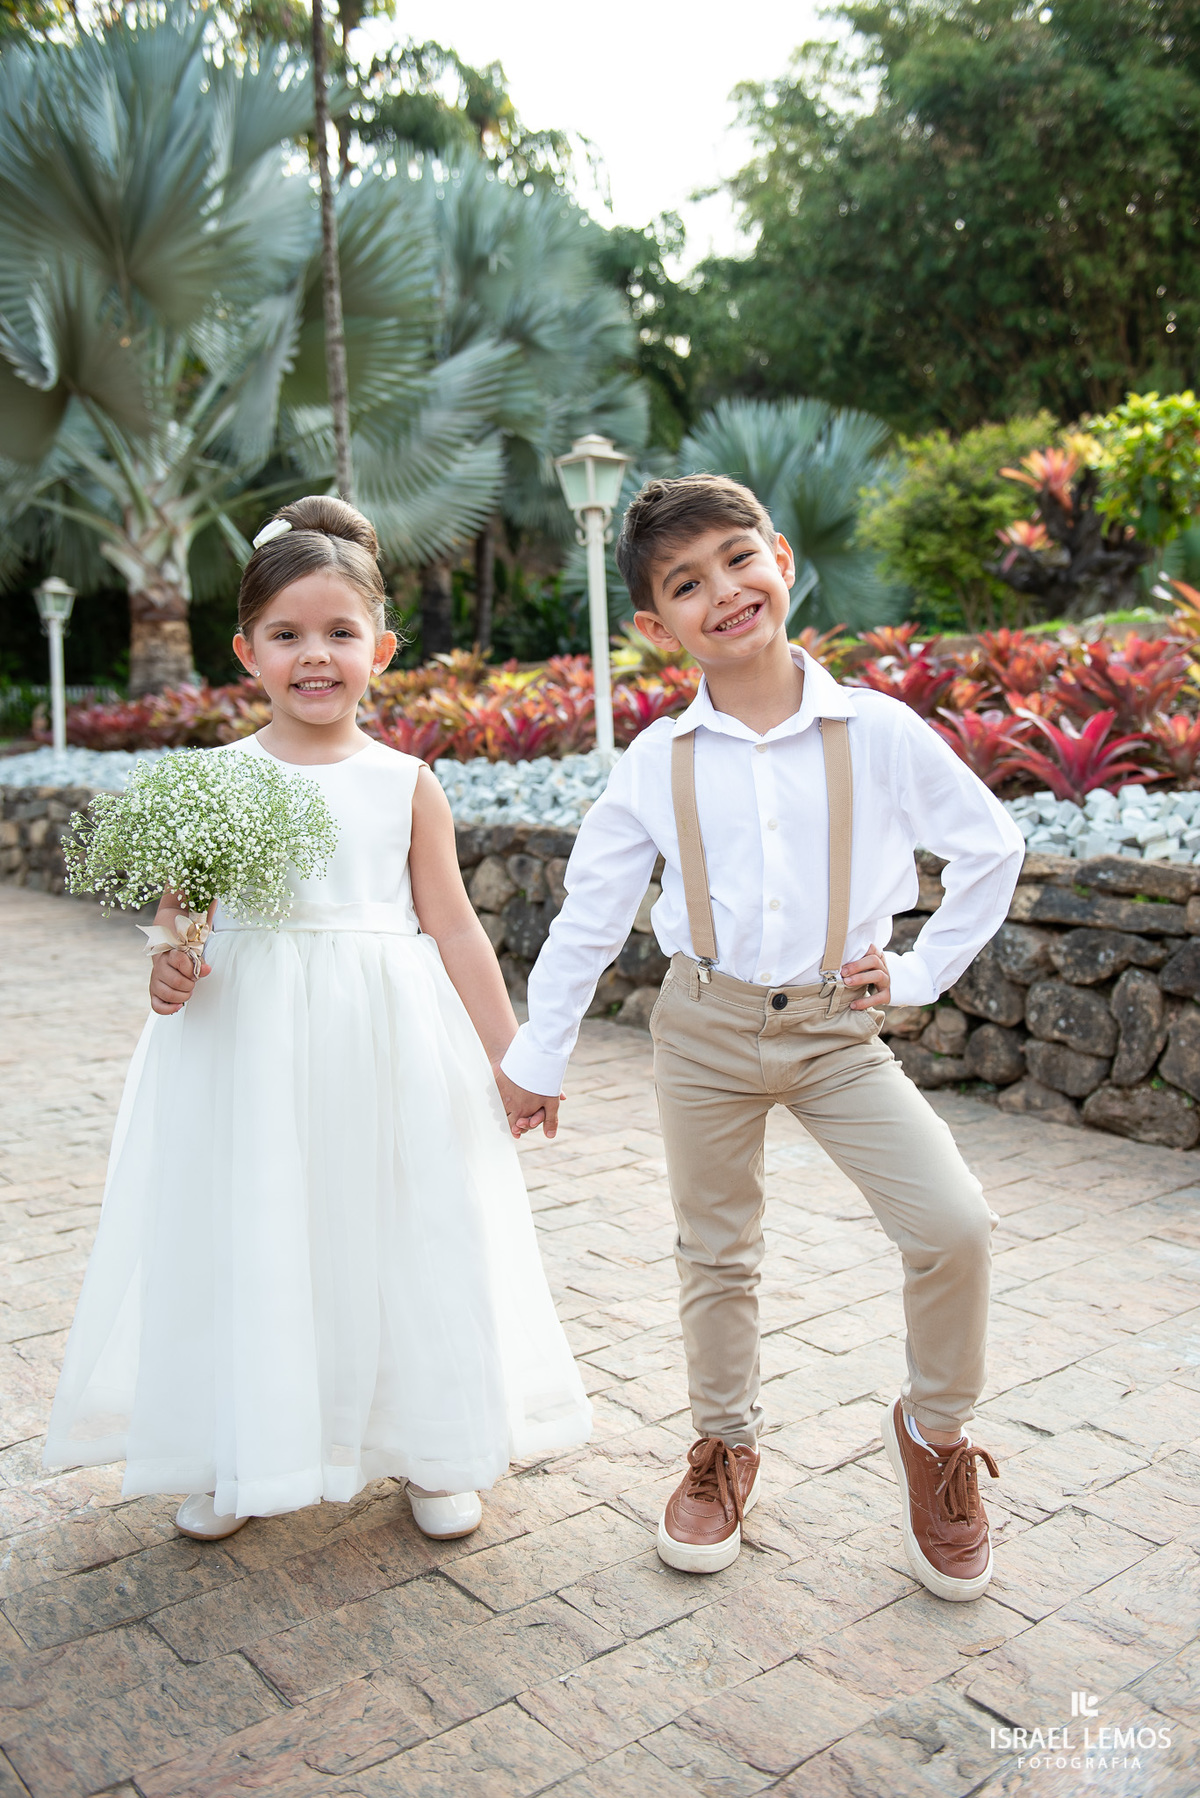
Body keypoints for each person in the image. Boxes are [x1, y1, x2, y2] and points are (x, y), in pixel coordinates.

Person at [498, 474, 1023, 1600]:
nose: (724, 591)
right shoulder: (657, 760)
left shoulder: (878, 731)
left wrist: (918, 970)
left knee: (954, 1225)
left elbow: (993, 849)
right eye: (686, 584)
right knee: (717, 1249)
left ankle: (935, 1436)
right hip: (703, 1028)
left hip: (836, 1029)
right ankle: (723, 1446)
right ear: (657, 626)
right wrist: (539, 1056)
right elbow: (589, 916)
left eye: (738, 559)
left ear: (780, 559)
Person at [44, 496, 590, 1543]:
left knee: (402, 1228)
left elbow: (457, 929)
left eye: (340, 632)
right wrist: (170, 966)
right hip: (247, 1042)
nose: (315, 656)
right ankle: (236, 1445)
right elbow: (182, 918)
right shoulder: (215, 779)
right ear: (246, 651)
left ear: (380, 647)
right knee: (250, 1228)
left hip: (383, 1043)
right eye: (287, 634)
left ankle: (428, 1443)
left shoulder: (406, 784)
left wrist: (516, 1057)